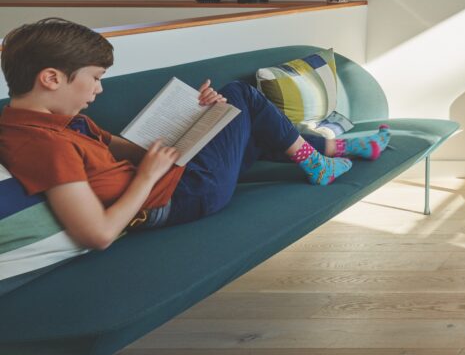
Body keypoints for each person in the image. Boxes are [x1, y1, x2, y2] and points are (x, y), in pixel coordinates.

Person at [0, 18, 391, 247]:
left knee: (240, 116)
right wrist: (149, 176)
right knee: (241, 95)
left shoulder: (63, 122)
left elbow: (136, 151)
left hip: (173, 180)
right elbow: (98, 234)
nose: (100, 90)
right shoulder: (45, 145)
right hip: (181, 197)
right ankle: (324, 158)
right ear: (51, 78)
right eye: (96, 78)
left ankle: (332, 147)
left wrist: (200, 118)